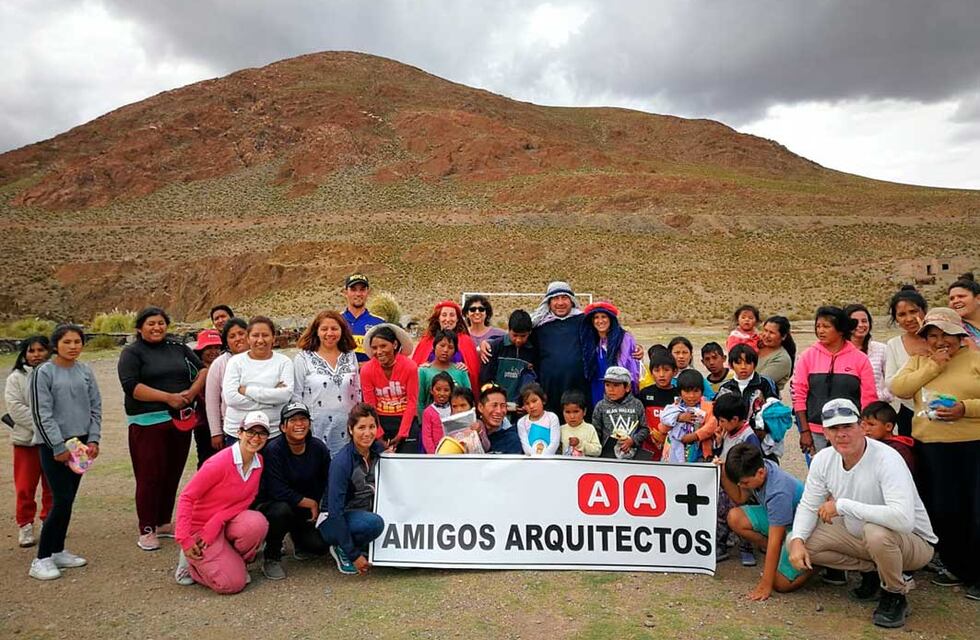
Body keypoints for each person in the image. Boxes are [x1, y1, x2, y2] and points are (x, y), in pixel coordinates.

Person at [787, 399, 936, 629]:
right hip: (859, 534)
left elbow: (904, 520)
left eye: (847, 426)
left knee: (875, 532)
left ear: (861, 427)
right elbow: (808, 505)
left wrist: (843, 505)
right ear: (825, 432)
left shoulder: (887, 458)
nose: (841, 434)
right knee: (798, 541)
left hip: (914, 542)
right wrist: (797, 540)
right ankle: (875, 571)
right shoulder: (823, 460)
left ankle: (895, 594)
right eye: (834, 429)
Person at [890, 307, 980, 599]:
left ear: (960, 335)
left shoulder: (976, 359)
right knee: (942, 508)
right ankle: (957, 566)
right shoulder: (919, 361)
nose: (941, 341)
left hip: (972, 445)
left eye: (946, 335)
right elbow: (899, 388)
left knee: (975, 508)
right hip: (932, 448)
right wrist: (934, 367)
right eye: (933, 335)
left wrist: (964, 409)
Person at [118, 306, 207, 551]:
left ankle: (163, 522)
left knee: (172, 471)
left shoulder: (178, 348)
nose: (157, 327)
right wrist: (168, 397)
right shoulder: (132, 353)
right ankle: (146, 528)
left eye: (160, 323)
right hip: (147, 422)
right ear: (139, 327)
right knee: (149, 476)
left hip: (180, 419)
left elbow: (202, 369)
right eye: (151, 324)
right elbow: (131, 386)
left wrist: (192, 391)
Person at [26, 324, 101, 581]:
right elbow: (41, 413)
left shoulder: (85, 371)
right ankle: (42, 558)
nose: (73, 346)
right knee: (61, 498)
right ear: (55, 345)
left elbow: (95, 406)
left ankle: (58, 550)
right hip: (54, 446)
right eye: (67, 342)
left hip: (80, 444)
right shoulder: (43, 372)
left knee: (68, 499)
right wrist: (57, 446)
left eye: (77, 341)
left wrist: (93, 439)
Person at [173, 411, 270, 593]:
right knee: (232, 584)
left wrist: (217, 521)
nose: (256, 438)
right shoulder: (218, 463)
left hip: (222, 523)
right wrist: (184, 539)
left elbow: (248, 498)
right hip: (200, 528)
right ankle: (190, 565)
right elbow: (187, 497)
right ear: (240, 432)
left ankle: (231, 563)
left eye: (261, 433)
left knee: (256, 523)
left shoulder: (259, 462)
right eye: (250, 432)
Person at [254, 402, 330, 581]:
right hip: (274, 506)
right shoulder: (273, 450)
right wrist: (309, 502)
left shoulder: (318, 448)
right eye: (293, 420)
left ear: (309, 423)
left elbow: (329, 479)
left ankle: (298, 537)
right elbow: (276, 489)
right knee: (282, 511)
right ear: (282, 426)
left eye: (303, 419)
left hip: (304, 511)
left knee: (319, 547)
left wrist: (323, 506)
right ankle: (271, 556)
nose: (299, 424)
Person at [721, 443, 807, 600]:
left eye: (745, 483)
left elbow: (775, 540)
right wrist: (723, 473)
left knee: (780, 584)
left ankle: (819, 563)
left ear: (760, 473)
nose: (741, 486)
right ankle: (783, 556)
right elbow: (740, 498)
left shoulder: (777, 492)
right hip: (782, 520)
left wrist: (765, 584)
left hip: (800, 529)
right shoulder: (760, 466)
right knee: (735, 517)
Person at [792, 306, 878, 455]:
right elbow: (799, 394)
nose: (820, 331)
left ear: (840, 330)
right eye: (818, 326)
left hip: (850, 431)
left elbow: (869, 398)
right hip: (816, 432)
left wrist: (865, 429)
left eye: (826, 326)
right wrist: (804, 431)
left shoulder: (860, 359)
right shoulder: (807, 356)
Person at [317, 403, 386, 575]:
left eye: (372, 427)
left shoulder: (378, 451)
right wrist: (354, 555)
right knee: (374, 524)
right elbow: (335, 512)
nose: (367, 433)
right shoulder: (342, 462)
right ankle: (343, 549)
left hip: (361, 512)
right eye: (361, 427)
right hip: (332, 520)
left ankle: (363, 545)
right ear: (350, 429)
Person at [5, 335, 52, 547]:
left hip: (53, 443)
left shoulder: (56, 374)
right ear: (24, 353)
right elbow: (15, 408)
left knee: (52, 485)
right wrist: (45, 425)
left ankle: (50, 522)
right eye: (31, 351)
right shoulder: (16, 378)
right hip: (27, 442)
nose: (36, 355)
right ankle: (25, 525)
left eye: (41, 350)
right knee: (25, 487)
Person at [292, 310, 361, 456]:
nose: (330, 333)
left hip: (347, 428)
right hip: (316, 429)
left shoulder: (350, 356)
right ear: (316, 331)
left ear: (342, 331)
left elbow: (357, 391)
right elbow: (296, 395)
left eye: (334, 328)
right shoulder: (303, 358)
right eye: (324, 329)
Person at [221, 316, 293, 444]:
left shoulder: (284, 362)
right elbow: (231, 398)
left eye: (265, 335)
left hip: (273, 433)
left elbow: (285, 395)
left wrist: (247, 391)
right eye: (255, 335)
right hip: (238, 433)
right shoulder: (235, 362)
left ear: (274, 338)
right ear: (248, 338)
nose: (260, 340)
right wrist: (271, 401)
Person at [713, 392, 760, 563]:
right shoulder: (727, 432)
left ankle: (746, 548)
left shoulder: (748, 436)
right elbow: (722, 452)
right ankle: (721, 545)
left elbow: (752, 463)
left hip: (743, 486)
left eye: (722, 420)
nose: (720, 424)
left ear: (734, 419)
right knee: (721, 512)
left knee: (744, 514)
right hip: (728, 483)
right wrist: (718, 443)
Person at [360, 323, 420, 452]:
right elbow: (370, 405)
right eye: (374, 348)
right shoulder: (366, 370)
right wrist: (379, 434)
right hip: (380, 421)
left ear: (395, 345)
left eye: (383, 346)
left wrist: (402, 433)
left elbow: (412, 401)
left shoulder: (410, 367)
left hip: (405, 420)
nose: (379, 352)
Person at [717, 344, 780, 460]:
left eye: (748, 363)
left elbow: (775, 411)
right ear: (731, 365)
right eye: (738, 363)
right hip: (732, 439)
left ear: (755, 364)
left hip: (762, 440)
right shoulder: (726, 388)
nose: (743, 367)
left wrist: (765, 431)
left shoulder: (765, 384)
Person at [883, 286, 929, 437]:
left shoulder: (939, 339)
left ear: (924, 311)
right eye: (902, 314)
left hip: (941, 412)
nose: (908, 319)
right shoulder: (894, 344)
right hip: (908, 414)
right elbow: (890, 383)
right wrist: (913, 361)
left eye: (913, 311)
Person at [580, 301, 640, 407]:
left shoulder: (624, 339)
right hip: (597, 388)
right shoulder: (590, 341)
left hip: (619, 391)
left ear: (611, 319)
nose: (600, 321)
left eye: (604, 317)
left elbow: (632, 369)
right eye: (596, 317)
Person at [412, 300, 481, 392]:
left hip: (457, 393)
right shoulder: (426, 341)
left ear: (457, 319)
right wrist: (423, 367)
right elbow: (416, 369)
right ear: (438, 318)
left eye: (452, 315)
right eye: (444, 315)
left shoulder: (466, 341)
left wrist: (466, 369)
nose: (448, 319)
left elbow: (474, 371)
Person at [480, 309, 537, 419]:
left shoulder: (533, 351)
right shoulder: (494, 347)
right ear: (508, 330)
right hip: (496, 410)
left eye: (523, 336)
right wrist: (501, 405)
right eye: (515, 335)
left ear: (529, 333)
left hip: (522, 412)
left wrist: (526, 403)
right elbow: (485, 380)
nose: (518, 340)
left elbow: (534, 380)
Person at [205, 317, 249, 453]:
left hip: (263, 427)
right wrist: (216, 432)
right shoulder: (219, 364)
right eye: (232, 336)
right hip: (232, 429)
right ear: (226, 342)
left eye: (241, 333)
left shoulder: (261, 358)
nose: (238, 339)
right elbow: (212, 401)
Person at [661, 369, 716, 463]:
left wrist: (695, 436)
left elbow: (713, 425)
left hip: (700, 455)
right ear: (679, 392)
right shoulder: (674, 407)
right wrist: (678, 418)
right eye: (687, 392)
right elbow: (662, 428)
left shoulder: (708, 407)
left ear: (702, 392)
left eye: (696, 391)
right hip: (673, 454)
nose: (691, 396)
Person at [594, 366, 650, 459]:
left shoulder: (637, 404)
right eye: (607, 385)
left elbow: (645, 429)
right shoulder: (600, 406)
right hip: (608, 457)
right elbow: (596, 432)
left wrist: (633, 440)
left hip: (633, 456)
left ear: (627, 387)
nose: (611, 389)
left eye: (616, 385)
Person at [636, 348, 678, 460]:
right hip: (648, 447)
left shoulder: (679, 395)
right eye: (657, 370)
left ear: (675, 372)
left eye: (666, 370)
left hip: (672, 448)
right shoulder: (645, 393)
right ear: (651, 372)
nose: (661, 374)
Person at [189, 329, 223, 468]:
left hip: (225, 422)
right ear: (200, 350)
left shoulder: (226, 365)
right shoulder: (195, 371)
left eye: (217, 347)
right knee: (206, 462)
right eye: (209, 347)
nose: (213, 351)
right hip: (204, 424)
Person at [417, 330, 471, 415]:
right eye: (442, 345)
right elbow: (420, 402)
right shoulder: (424, 371)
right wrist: (422, 423)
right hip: (431, 423)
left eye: (450, 347)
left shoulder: (461, 371)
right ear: (434, 347)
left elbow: (469, 399)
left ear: (455, 351)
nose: (445, 350)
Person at [844, 304, 889, 401]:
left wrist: (880, 397)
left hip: (876, 407)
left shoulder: (882, 349)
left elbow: (891, 380)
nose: (860, 325)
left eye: (864, 321)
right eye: (855, 322)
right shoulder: (840, 352)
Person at [341, 273, 385, 364]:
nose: (358, 294)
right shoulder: (335, 321)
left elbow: (387, 356)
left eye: (362, 290)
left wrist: (365, 366)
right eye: (353, 290)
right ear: (345, 292)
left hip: (370, 376)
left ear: (368, 292)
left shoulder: (379, 323)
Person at [860, 401, 913, 473]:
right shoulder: (867, 444)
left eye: (871, 425)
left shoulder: (900, 449)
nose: (866, 429)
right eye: (864, 425)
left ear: (888, 426)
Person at [516, 382, 561, 456]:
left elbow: (555, 442)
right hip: (531, 461)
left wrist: (543, 458)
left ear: (543, 400)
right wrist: (535, 458)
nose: (531, 406)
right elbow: (525, 444)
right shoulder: (521, 422)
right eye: (527, 403)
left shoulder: (552, 417)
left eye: (534, 401)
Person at [477, 383, 523, 454]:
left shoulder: (511, 439)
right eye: (494, 405)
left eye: (503, 406)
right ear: (480, 407)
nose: (499, 411)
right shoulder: (472, 432)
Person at [756, 316, 796, 394]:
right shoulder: (756, 346)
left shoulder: (782, 359)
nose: (766, 335)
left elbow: (759, 382)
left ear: (783, 336)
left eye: (771, 333)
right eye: (765, 330)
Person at [420, 372, 455, 454]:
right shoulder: (428, 412)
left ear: (451, 391)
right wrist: (434, 455)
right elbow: (427, 437)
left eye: (446, 390)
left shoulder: (454, 408)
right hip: (436, 453)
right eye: (438, 389)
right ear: (431, 390)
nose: (442, 394)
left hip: (454, 451)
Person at [559, 390, 601, 456]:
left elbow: (597, 451)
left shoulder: (589, 429)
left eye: (576, 412)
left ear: (584, 411)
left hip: (585, 465)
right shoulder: (560, 430)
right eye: (567, 412)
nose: (572, 416)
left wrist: (580, 444)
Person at [948, 272, 980, 347]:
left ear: (978, 298)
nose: (955, 301)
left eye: (961, 296)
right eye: (951, 298)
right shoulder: (952, 330)